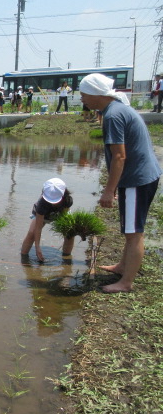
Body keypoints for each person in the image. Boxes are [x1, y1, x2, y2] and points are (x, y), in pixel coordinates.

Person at [80, 73, 162, 292]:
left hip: (136, 178)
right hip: (139, 175)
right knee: (129, 229)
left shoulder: (113, 115)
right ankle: (122, 266)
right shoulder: (116, 110)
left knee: (134, 232)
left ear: (96, 93)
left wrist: (109, 190)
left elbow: (119, 157)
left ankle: (126, 282)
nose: (82, 99)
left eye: (83, 94)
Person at [20, 178, 74, 262]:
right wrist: (37, 248)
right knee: (32, 233)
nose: (53, 203)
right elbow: (38, 228)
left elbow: (65, 217)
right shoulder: (42, 204)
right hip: (44, 214)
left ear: (63, 194)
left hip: (60, 213)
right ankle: (23, 258)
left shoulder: (67, 200)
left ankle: (66, 258)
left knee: (70, 233)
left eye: (55, 200)